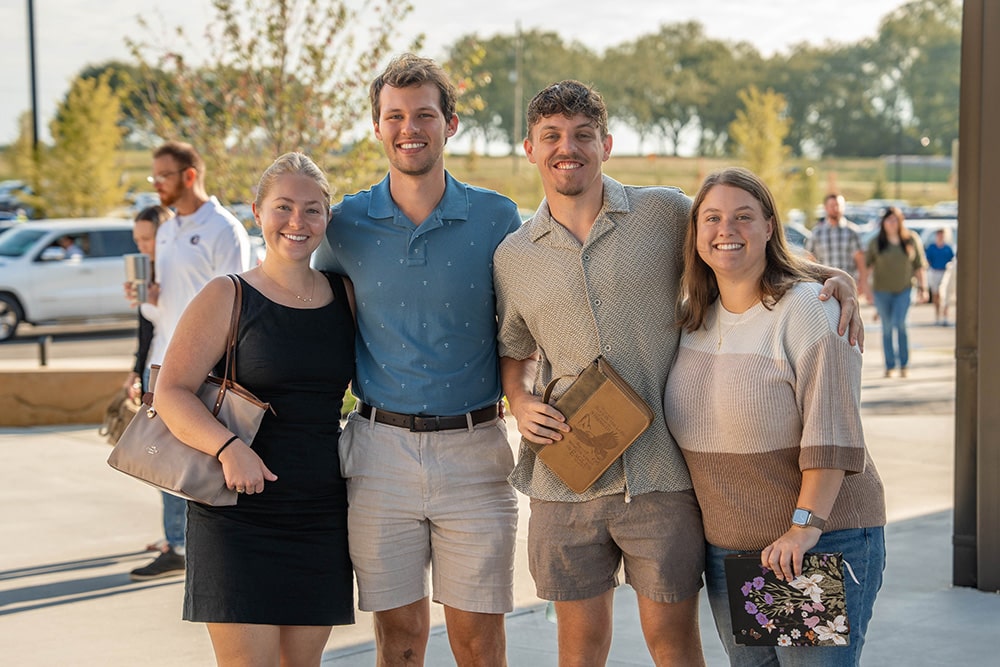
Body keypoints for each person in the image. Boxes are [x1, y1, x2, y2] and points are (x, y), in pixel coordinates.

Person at [493, 80, 861, 667]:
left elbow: (735, 235)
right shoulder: (513, 254)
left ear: (606, 144)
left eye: (584, 135)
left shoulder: (663, 213)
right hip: (573, 480)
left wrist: (828, 278)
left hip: (680, 487)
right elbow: (513, 346)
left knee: (681, 648)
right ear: (530, 148)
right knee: (581, 650)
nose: (569, 147)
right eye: (552, 137)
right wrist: (517, 396)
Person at [312, 54, 521, 666]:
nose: (410, 128)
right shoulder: (345, 222)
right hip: (380, 453)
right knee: (399, 642)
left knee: (478, 644)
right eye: (395, 116)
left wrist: (815, 279)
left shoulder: (497, 216)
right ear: (377, 127)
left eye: (425, 114)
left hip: (475, 449)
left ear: (450, 123)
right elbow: (297, 301)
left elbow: (533, 318)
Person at [663, 166, 886, 666]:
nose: (727, 230)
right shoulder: (691, 319)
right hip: (729, 549)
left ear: (769, 226)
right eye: (713, 218)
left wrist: (803, 528)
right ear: (696, 233)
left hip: (808, 543)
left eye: (744, 216)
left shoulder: (807, 309)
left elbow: (831, 430)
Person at [153, 152, 356, 665]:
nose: (297, 221)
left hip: (321, 513)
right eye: (283, 207)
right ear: (257, 212)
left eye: (312, 210)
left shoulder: (345, 296)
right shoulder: (228, 295)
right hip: (237, 515)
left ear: (327, 218)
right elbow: (171, 391)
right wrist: (227, 447)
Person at [129, 140, 252, 581]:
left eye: (162, 175)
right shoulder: (165, 230)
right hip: (162, 361)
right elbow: (162, 308)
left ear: (188, 175)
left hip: (204, 369)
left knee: (202, 463)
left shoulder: (223, 228)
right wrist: (146, 300)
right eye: (154, 176)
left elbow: (240, 301)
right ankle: (176, 545)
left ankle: (203, 549)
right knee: (160, 457)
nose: (156, 183)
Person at [864, 206, 928, 378]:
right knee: (886, 327)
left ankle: (904, 364)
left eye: (895, 220)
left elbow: (919, 266)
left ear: (900, 222)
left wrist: (924, 288)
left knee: (900, 323)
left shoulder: (911, 240)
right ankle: (890, 365)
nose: (892, 224)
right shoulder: (876, 242)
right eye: (888, 220)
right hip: (882, 291)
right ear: (883, 223)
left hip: (905, 290)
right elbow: (867, 268)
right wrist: (866, 291)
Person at [122, 205, 174, 405]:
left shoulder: (178, 273)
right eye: (137, 240)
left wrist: (159, 301)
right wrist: (135, 370)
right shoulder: (147, 274)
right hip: (151, 369)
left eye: (146, 239)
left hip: (178, 374)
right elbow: (145, 331)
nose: (141, 246)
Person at [804, 194, 866, 287]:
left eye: (839, 205)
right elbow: (810, 259)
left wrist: (863, 282)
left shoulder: (852, 231)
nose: (836, 208)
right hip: (823, 285)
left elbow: (860, 259)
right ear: (825, 208)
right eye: (832, 205)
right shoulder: (816, 233)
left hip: (848, 285)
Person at [924, 227, 956, 325]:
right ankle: (937, 316)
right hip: (934, 272)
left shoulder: (948, 248)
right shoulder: (932, 247)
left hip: (945, 272)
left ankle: (945, 316)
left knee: (945, 295)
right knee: (936, 294)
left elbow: (952, 260)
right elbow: (927, 261)